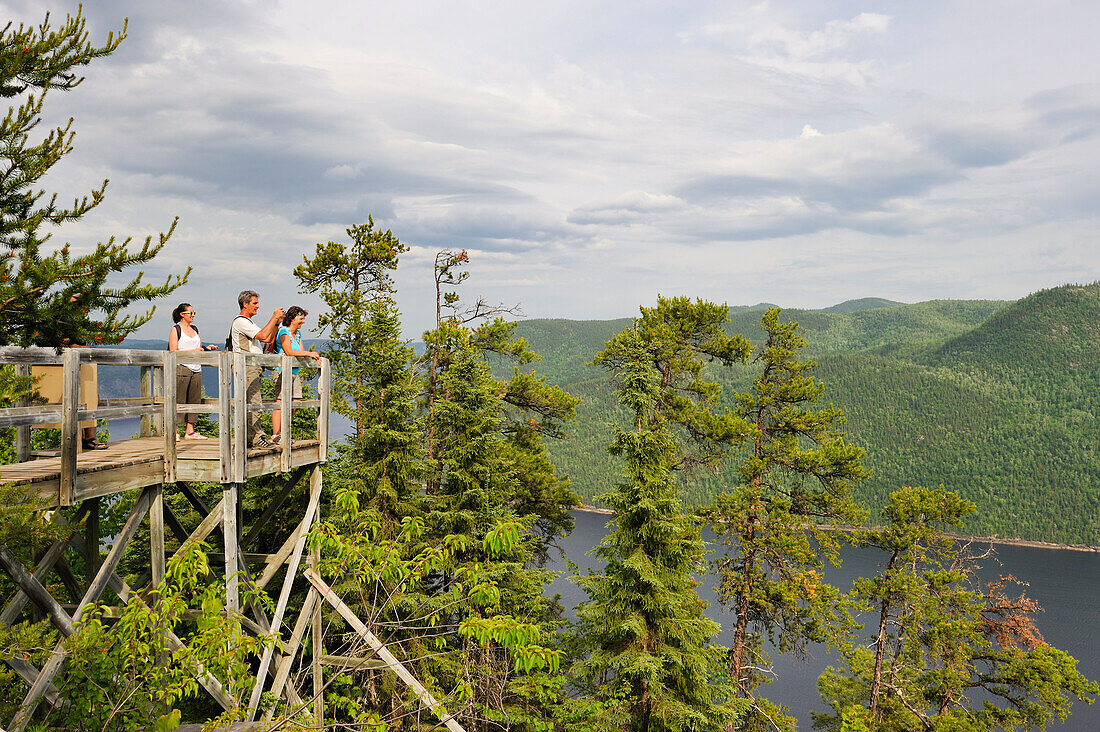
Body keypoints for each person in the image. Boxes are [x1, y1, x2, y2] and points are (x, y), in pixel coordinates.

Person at [229, 290, 283, 448]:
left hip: (252, 367)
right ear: (245, 304)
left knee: (253, 403)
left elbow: (268, 338)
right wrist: (273, 317)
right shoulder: (241, 321)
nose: (258, 307)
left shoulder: (249, 322)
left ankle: (251, 438)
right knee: (254, 403)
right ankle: (256, 438)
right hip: (247, 367)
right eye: (255, 303)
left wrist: (277, 322)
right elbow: (262, 335)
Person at [271, 305, 321, 445]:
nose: (303, 322)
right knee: (280, 402)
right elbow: (289, 352)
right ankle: (276, 435)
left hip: (295, 372)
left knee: (296, 403)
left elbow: (302, 352)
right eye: (301, 318)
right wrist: (309, 354)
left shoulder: (297, 334)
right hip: (282, 371)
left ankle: (284, 432)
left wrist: (314, 358)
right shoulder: (283, 331)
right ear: (292, 318)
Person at [168, 302, 218, 440]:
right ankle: (174, 430)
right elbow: (173, 351)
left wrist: (207, 349)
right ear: (182, 315)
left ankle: (190, 431)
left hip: (196, 367)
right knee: (179, 399)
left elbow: (198, 347)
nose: (193, 316)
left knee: (194, 399)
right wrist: (194, 351)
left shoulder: (195, 329)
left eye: (194, 313)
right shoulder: (175, 330)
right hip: (182, 367)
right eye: (190, 313)